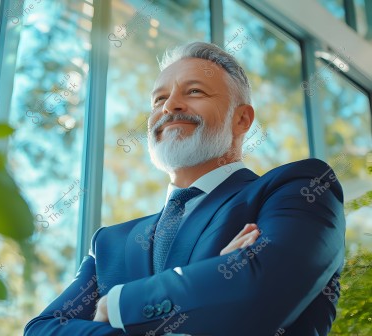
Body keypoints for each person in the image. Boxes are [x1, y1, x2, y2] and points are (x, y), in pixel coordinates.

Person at [24, 42, 345, 336]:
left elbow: (263, 292)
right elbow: (42, 330)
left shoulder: (301, 187)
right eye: (159, 99)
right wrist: (214, 282)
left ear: (242, 119)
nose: (170, 107)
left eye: (194, 92)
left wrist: (115, 305)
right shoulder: (110, 244)